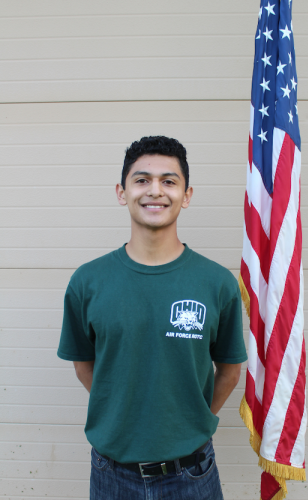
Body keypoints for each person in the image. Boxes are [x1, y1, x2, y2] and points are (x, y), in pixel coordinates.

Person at [57, 136, 247, 499]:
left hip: (193, 474)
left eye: (169, 181)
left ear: (186, 195)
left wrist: (191, 419)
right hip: (112, 474)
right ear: (121, 192)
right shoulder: (88, 282)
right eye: (142, 180)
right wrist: (120, 410)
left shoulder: (217, 283)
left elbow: (230, 370)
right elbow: (84, 366)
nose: (155, 191)